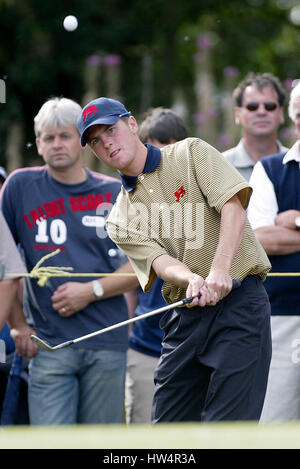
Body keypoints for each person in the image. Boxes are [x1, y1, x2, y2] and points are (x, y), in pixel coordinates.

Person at [77, 96, 272, 422]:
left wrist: (220, 269)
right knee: (168, 429)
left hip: (240, 305)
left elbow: (233, 207)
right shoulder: (118, 217)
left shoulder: (191, 152)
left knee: (229, 431)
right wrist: (193, 279)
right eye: (96, 140)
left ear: (133, 124)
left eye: (111, 129)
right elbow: (159, 261)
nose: (107, 142)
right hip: (186, 315)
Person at [0, 97, 138, 425]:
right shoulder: (19, 186)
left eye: (65, 135)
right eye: (48, 138)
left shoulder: (115, 192)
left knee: (101, 444)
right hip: (48, 344)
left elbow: (143, 265)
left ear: (82, 141)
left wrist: (92, 290)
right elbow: (5, 262)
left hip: (106, 339)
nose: (57, 144)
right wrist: (18, 323)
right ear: (37, 144)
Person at [125, 107, 188, 424]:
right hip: (146, 343)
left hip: (191, 341)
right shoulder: (130, 201)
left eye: (167, 146)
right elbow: (131, 278)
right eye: (151, 146)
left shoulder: (195, 196)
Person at [247, 80, 300, 422]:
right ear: (295, 116)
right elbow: (258, 239)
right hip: (281, 317)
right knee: (275, 425)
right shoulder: (270, 169)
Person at [223, 72, 288, 181]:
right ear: (237, 114)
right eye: (252, 107)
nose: (261, 112)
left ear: (281, 113)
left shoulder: (296, 163)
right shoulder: (220, 168)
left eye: (270, 106)